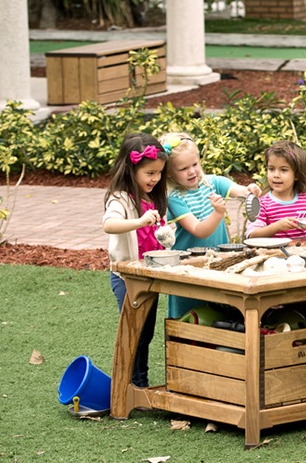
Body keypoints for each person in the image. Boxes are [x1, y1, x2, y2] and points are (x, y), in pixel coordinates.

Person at [161, 132, 260, 318]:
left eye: (194, 164)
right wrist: (217, 213)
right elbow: (199, 230)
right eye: (183, 169)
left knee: (216, 311)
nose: (191, 171)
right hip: (188, 266)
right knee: (187, 313)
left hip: (217, 261)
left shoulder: (214, 183)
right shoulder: (175, 199)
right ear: (170, 174)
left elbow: (240, 190)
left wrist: (250, 190)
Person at [101, 132, 168, 388]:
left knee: (146, 333)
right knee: (134, 333)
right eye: (150, 173)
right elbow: (109, 224)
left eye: (159, 172)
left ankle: (139, 384)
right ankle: (130, 386)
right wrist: (139, 221)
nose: (156, 178)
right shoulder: (120, 198)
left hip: (149, 275)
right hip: (127, 278)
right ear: (131, 170)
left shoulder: (152, 197)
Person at [247, 140, 306, 239]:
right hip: (273, 253)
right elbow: (252, 235)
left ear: (296, 175)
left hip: (301, 252)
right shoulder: (262, 203)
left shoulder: (305, 200)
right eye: (271, 169)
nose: (276, 175)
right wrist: (277, 226)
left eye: (283, 170)